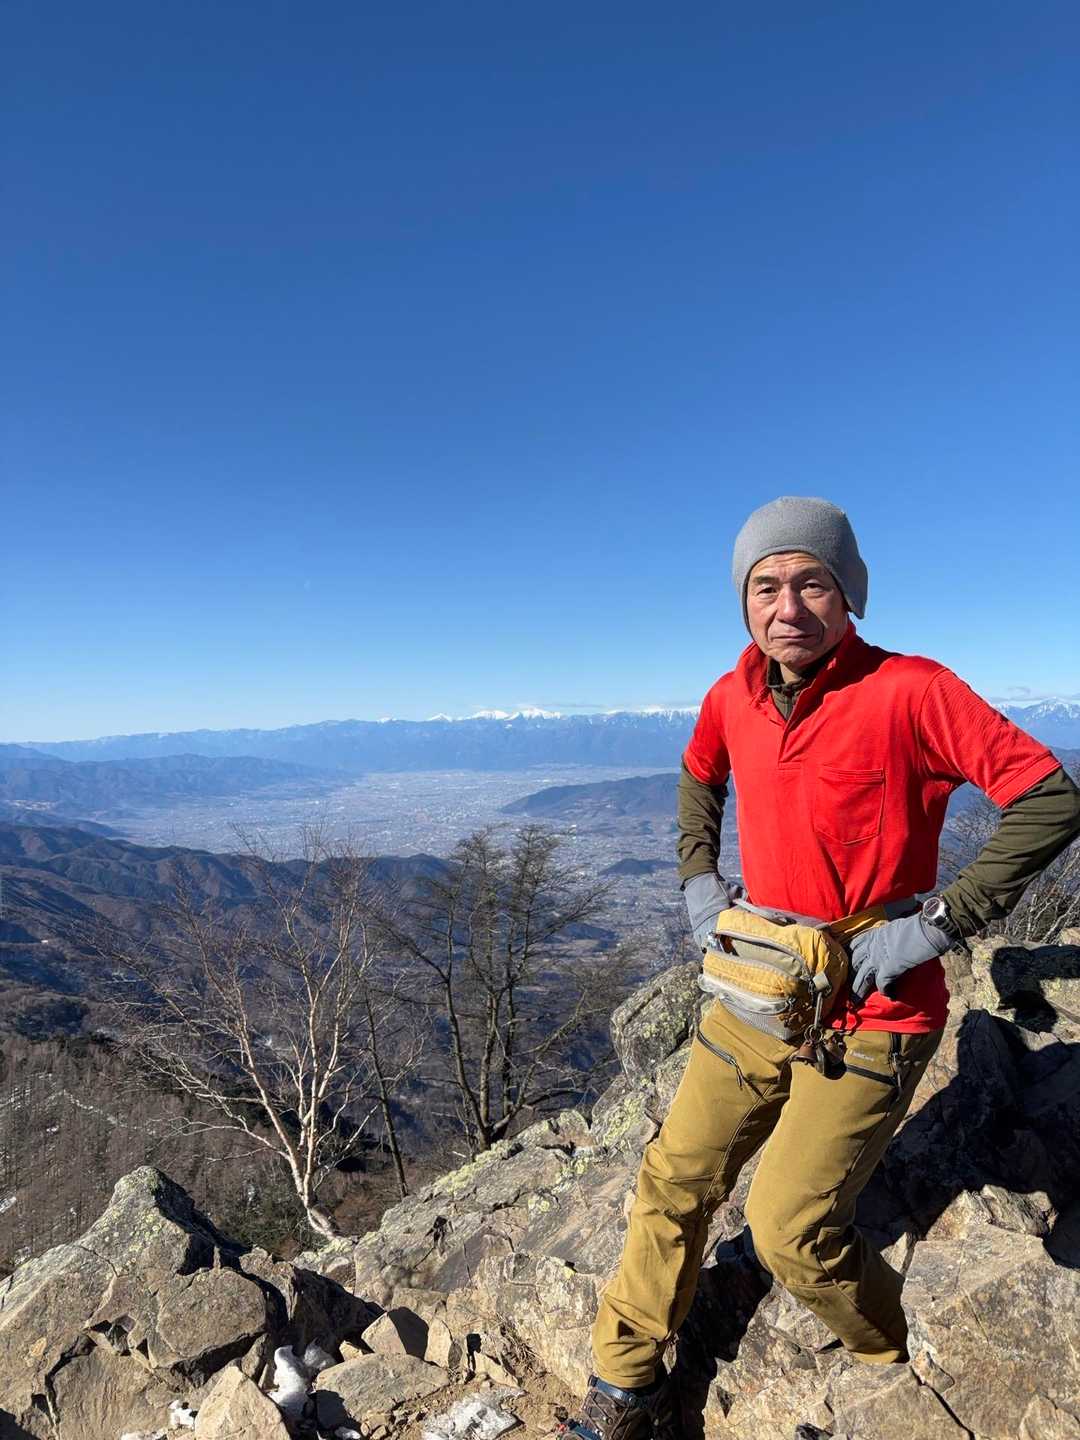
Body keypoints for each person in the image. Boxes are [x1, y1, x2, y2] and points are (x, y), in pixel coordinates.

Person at [562, 496, 1080, 1440]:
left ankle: (892, 1372)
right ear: (744, 601)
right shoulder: (732, 696)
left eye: (812, 582)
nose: (787, 606)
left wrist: (936, 926)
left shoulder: (912, 690)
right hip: (759, 990)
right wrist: (698, 881)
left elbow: (1049, 798)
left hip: (875, 1012)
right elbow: (699, 774)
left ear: (850, 595)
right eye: (766, 586)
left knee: (790, 1232)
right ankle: (627, 1385)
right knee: (674, 1179)